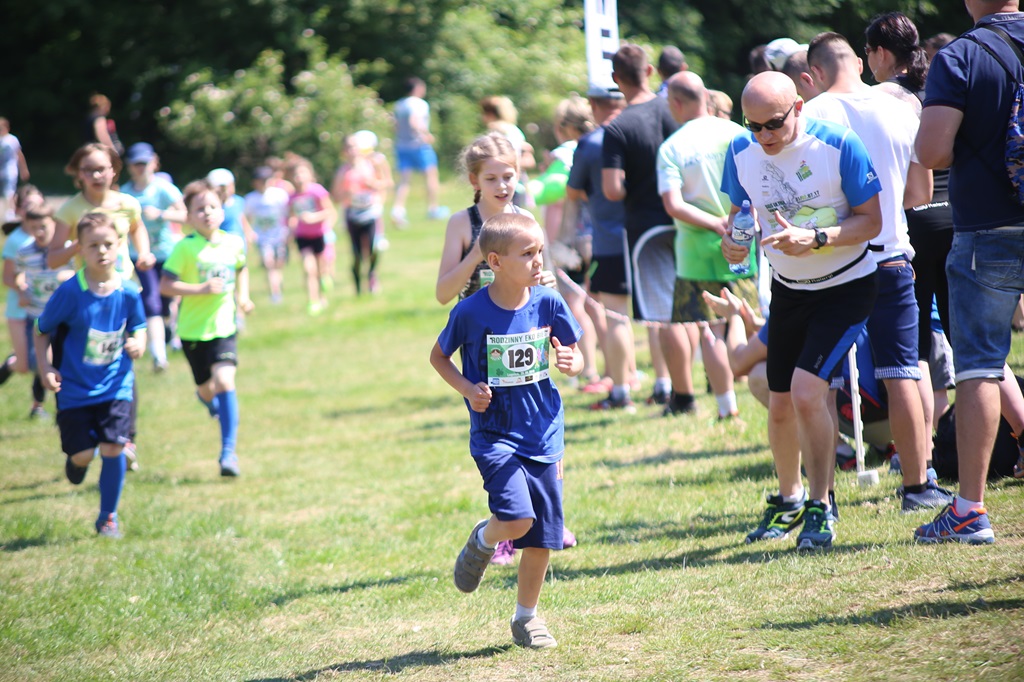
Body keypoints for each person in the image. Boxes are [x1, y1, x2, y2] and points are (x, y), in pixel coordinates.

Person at [721, 71, 883, 550]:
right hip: (789, 290)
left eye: (774, 124)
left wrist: (815, 238)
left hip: (846, 286)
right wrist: (733, 245)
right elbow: (740, 217)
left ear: (798, 107)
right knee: (779, 405)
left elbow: (872, 222)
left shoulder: (838, 144)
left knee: (808, 392)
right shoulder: (739, 151)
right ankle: (789, 499)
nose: (765, 137)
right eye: (754, 126)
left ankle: (822, 504)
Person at [803, 32, 951, 512]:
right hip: (891, 255)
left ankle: (822, 496)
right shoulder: (899, 108)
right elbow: (919, 191)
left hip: (832, 262)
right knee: (903, 370)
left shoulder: (812, 115)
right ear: (859, 65)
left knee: (819, 378)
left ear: (816, 74)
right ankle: (919, 484)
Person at [429, 212, 584, 650]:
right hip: (495, 435)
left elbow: (573, 350)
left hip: (544, 434)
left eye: (540, 252)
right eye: (527, 254)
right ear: (494, 261)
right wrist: (466, 388)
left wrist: (573, 362)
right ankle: (483, 539)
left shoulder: (549, 302)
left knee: (543, 537)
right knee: (517, 519)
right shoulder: (471, 311)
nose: (538, 262)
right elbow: (439, 358)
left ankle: (527, 619)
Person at [913, 0, 1024, 544]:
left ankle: (969, 511)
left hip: (988, 225)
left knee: (980, 363)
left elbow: (932, 150)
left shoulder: (962, 56)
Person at [35, 212, 147, 538]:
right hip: (74, 388)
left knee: (114, 448)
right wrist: (45, 367)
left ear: (119, 246)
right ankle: (77, 461)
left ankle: (107, 517)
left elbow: (138, 325)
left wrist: (138, 343)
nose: (101, 251)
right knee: (84, 454)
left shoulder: (128, 291)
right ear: (80, 249)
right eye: (93, 245)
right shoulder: (70, 293)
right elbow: (41, 330)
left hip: (116, 384)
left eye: (108, 244)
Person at [657, 71, 758, 420]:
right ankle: (771, 390)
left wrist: (713, 223)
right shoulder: (736, 132)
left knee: (710, 329)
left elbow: (673, 205)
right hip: (743, 240)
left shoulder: (672, 146)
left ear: (676, 103)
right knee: (753, 320)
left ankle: (725, 406)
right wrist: (734, 222)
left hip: (695, 250)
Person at [51, 143, 154, 471]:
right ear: (77, 175)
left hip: (123, 293)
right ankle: (80, 439)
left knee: (125, 362)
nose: (96, 175)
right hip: (86, 297)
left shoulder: (127, 204)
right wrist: (76, 248)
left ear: (114, 171)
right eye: (88, 170)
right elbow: (52, 257)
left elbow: (138, 230)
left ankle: (125, 438)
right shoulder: (69, 210)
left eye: (102, 168)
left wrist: (144, 253)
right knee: (87, 361)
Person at [602, 44, 692, 414]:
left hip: (646, 228)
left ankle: (683, 397)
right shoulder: (674, 111)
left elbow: (612, 189)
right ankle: (693, 388)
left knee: (665, 314)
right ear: (651, 71)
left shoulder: (618, 126)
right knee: (687, 311)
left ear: (615, 80)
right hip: (686, 219)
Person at [160, 180, 254, 477]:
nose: (207, 213)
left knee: (225, 381)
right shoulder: (185, 248)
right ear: (188, 216)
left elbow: (242, 268)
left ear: (223, 210)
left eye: (213, 206)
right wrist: (199, 288)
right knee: (206, 388)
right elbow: (165, 285)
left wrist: (243, 296)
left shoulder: (233, 243)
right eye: (199, 209)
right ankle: (206, 399)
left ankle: (228, 454)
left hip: (224, 327)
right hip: (191, 332)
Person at [567, 86, 637, 411]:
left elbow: (573, 191)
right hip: (650, 239)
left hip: (609, 241)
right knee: (660, 318)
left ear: (594, 106)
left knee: (615, 317)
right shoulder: (641, 132)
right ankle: (666, 384)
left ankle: (620, 390)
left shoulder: (592, 143)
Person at [122, 142, 186, 372]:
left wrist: (161, 214)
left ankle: (174, 335)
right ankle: (159, 355)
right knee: (151, 301)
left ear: (153, 162)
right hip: (140, 256)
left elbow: (185, 215)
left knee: (170, 299)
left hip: (167, 253)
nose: (140, 168)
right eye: (135, 164)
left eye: (144, 163)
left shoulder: (164, 188)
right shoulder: (125, 193)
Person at [15, 204, 76, 419]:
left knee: (62, 362)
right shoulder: (24, 251)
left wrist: (67, 275)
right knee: (36, 363)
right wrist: (21, 289)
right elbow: (20, 275)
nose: (39, 233)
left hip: (63, 318)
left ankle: (59, 407)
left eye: (43, 227)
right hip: (36, 315)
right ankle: (39, 404)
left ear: (55, 225)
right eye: (33, 228)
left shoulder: (67, 249)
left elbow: (81, 272)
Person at [332, 131, 393, 295]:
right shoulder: (342, 171)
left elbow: (386, 183)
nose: (352, 150)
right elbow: (335, 197)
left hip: (371, 211)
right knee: (357, 254)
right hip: (352, 214)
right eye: (348, 147)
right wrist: (346, 194)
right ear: (344, 151)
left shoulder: (371, 164)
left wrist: (372, 184)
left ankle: (372, 275)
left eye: (354, 146)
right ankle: (358, 284)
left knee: (374, 249)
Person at [1, 185, 44, 404]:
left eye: (38, 203)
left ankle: (38, 406)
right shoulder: (16, 240)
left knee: (43, 358)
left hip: (42, 308)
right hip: (20, 309)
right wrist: (22, 288)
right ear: (19, 211)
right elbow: (8, 277)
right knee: (24, 364)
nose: (34, 209)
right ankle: (6, 367)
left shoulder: (50, 236)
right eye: (28, 205)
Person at [391, 77, 448, 225]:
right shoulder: (419, 104)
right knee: (431, 176)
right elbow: (414, 121)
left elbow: (395, 125)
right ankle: (433, 209)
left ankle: (398, 210)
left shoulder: (399, 104)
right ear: (416, 88)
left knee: (404, 180)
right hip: (419, 146)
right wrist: (425, 135)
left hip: (402, 146)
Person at [286, 159, 336, 316]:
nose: (299, 177)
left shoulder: (317, 191)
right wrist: (291, 227)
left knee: (321, 270)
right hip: (302, 237)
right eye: (296, 174)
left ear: (310, 175)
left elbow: (330, 211)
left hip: (319, 234)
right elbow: (291, 217)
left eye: (302, 173)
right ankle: (312, 301)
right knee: (309, 270)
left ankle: (322, 296)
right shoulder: (292, 197)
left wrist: (314, 218)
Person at [244, 165, 290, 303]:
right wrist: (250, 232)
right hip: (263, 237)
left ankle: (277, 282)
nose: (264, 183)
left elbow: (287, 213)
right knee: (268, 263)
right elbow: (246, 217)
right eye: (260, 180)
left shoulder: (279, 195)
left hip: (279, 235)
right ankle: (275, 294)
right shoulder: (251, 198)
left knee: (279, 263)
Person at [206, 168, 253, 245]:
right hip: (220, 244)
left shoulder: (239, 201)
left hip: (238, 243)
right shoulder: (211, 206)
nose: (225, 191)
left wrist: (248, 232)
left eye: (226, 187)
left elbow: (242, 218)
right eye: (221, 188)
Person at [0, 117, 30, 222]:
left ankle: (10, 211)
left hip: (10, 170)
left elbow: (19, 155)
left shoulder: (12, 140)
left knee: (9, 192)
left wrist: (24, 169)